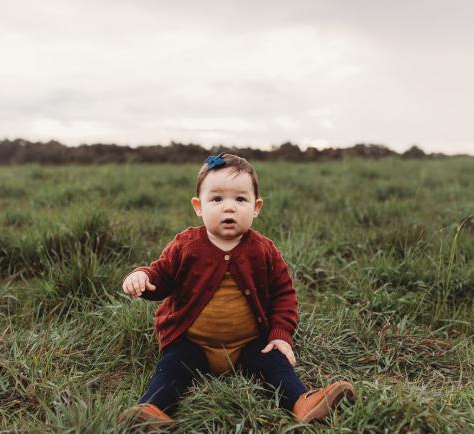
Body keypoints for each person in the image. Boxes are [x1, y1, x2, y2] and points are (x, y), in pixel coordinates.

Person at [120, 153, 355, 428]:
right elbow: (161, 275)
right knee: (172, 367)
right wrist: (142, 277)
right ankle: (152, 410)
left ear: (256, 207)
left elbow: (283, 295)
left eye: (240, 199)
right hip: (192, 342)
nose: (228, 208)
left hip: (248, 343)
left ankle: (302, 402)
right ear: (199, 206)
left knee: (274, 364)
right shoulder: (186, 245)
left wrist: (281, 335)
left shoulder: (263, 250)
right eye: (217, 199)